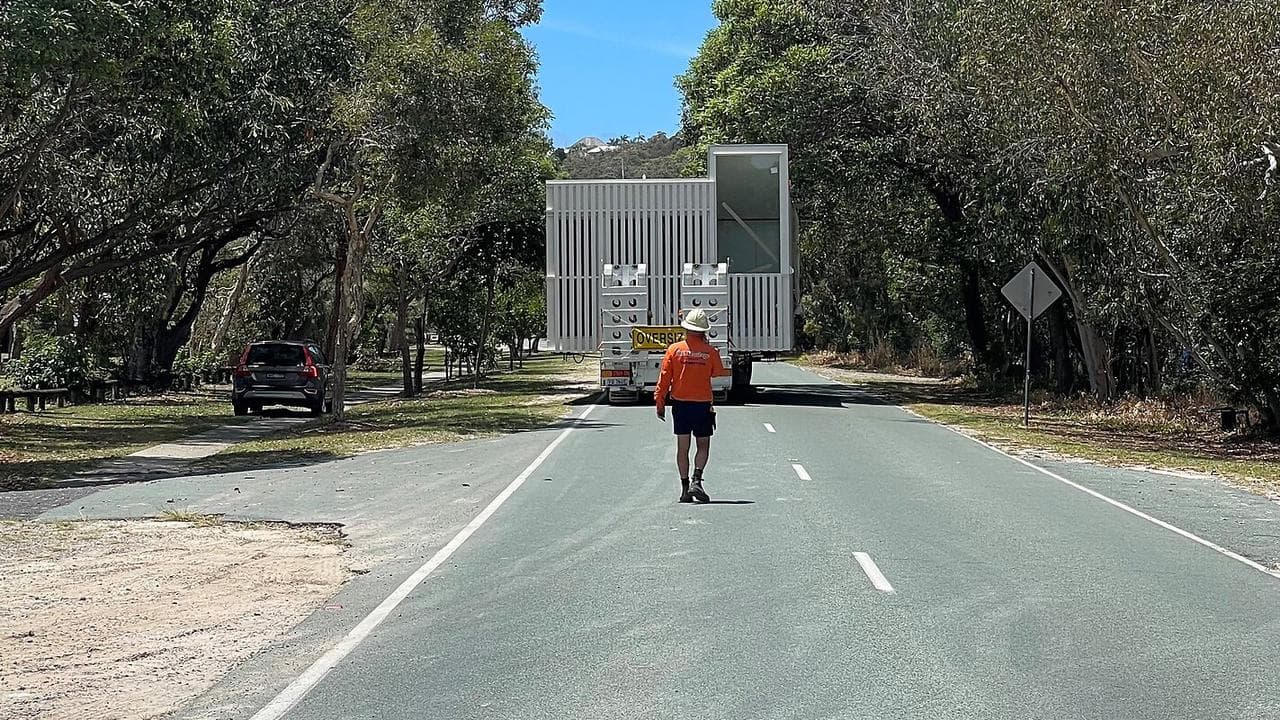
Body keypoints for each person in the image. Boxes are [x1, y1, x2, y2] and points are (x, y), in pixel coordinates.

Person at [655, 308, 731, 503]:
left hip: (680, 404)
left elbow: (664, 378)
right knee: (703, 445)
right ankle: (697, 478)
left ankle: (684, 488)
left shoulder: (674, 350)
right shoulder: (710, 352)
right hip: (702, 404)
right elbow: (717, 372)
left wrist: (660, 402)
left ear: (686, 329)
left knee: (682, 447)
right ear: (704, 331)